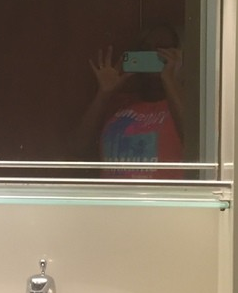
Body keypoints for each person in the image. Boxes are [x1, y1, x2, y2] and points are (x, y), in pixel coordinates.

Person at [73, 24, 185, 178]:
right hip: (115, 193)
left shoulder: (181, 105)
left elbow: (198, 145)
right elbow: (78, 148)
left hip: (161, 193)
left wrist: (170, 79)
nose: (152, 55)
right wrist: (103, 94)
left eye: (162, 49)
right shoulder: (119, 103)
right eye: (145, 49)